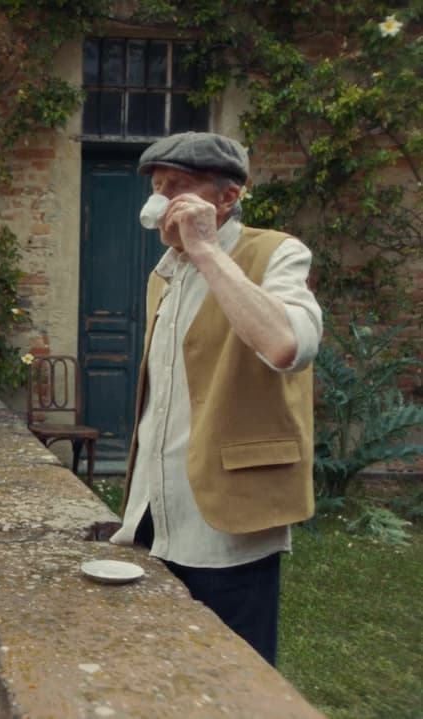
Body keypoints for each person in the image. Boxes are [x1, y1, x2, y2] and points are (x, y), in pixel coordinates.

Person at [110, 131, 323, 666]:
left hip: (230, 522)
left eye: (178, 187)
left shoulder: (277, 253)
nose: (162, 201)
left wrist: (205, 249)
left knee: (234, 675)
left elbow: (288, 346)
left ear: (228, 197)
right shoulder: (164, 275)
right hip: (155, 515)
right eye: (158, 188)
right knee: (160, 672)